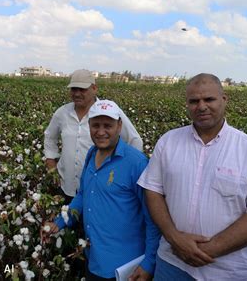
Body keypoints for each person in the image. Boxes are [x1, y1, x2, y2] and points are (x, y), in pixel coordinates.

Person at [137, 73, 247, 280]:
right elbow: (153, 190)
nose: (201, 106)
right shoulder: (168, 142)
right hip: (172, 264)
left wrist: (206, 251)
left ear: (224, 100)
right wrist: (175, 239)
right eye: (194, 101)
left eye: (209, 99)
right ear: (187, 104)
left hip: (230, 272)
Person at [43, 100, 160, 281]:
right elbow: (82, 194)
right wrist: (59, 223)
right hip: (94, 258)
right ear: (89, 125)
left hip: (125, 268)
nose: (101, 131)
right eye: (95, 125)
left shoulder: (136, 163)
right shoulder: (91, 154)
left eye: (108, 125)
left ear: (119, 126)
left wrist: (149, 263)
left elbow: (153, 217)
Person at [44, 69, 143, 201]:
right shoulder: (62, 113)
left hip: (99, 189)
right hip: (66, 185)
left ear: (94, 88)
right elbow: (50, 137)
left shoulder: (109, 111)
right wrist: (51, 163)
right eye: (74, 89)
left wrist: (125, 174)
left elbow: (134, 140)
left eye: (82, 89)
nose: (77, 93)